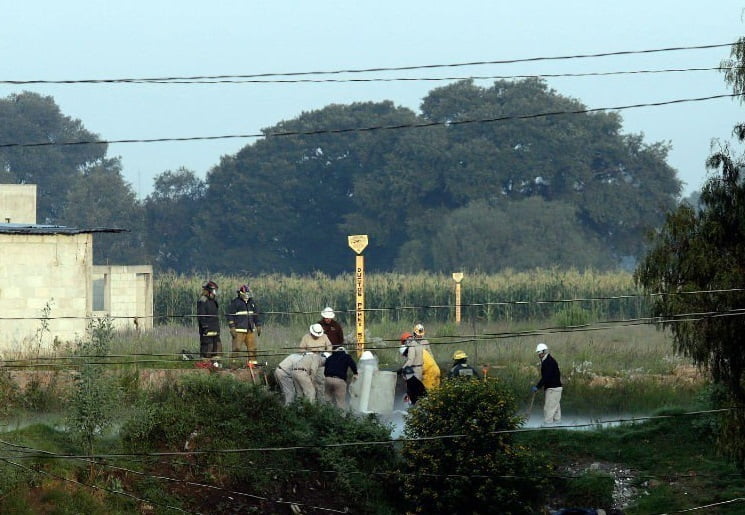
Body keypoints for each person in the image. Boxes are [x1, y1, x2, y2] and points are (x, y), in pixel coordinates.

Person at [226, 284, 262, 366]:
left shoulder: (251, 303)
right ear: (241, 293)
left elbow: (256, 314)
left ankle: (253, 364)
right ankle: (234, 364)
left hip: (250, 330)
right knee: (237, 348)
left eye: (248, 294)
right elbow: (230, 315)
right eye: (246, 294)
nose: (247, 296)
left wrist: (258, 325)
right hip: (239, 330)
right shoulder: (235, 303)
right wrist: (232, 327)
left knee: (252, 348)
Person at [531, 342, 563, 424]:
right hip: (556, 389)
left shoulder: (548, 362)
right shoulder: (548, 360)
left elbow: (546, 377)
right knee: (555, 409)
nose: (538, 355)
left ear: (544, 352)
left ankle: (547, 426)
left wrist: (537, 387)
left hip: (553, 389)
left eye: (539, 353)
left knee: (549, 409)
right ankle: (557, 425)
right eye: (538, 353)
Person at [300, 323, 332, 402]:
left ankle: (321, 403)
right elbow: (301, 349)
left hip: (321, 362)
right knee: (310, 382)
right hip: (309, 362)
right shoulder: (306, 337)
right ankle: (311, 402)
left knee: (321, 382)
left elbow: (330, 347)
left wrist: (326, 354)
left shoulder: (324, 337)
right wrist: (307, 353)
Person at [196, 280, 221, 367]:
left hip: (215, 329)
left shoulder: (214, 301)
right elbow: (201, 315)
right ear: (209, 290)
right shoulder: (203, 301)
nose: (215, 293)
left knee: (216, 347)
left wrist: (217, 329)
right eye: (214, 291)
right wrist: (205, 326)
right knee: (207, 347)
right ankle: (205, 364)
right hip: (207, 330)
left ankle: (215, 364)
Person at [399, 332, 426, 405]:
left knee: (413, 390)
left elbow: (410, 360)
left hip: (416, 370)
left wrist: (402, 369)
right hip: (419, 369)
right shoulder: (417, 344)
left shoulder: (411, 347)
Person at [412, 324, 440, 390]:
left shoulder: (425, 342)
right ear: (415, 333)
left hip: (426, 367)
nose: (420, 335)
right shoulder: (411, 342)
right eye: (419, 334)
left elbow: (430, 354)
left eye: (421, 333)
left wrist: (433, 363)